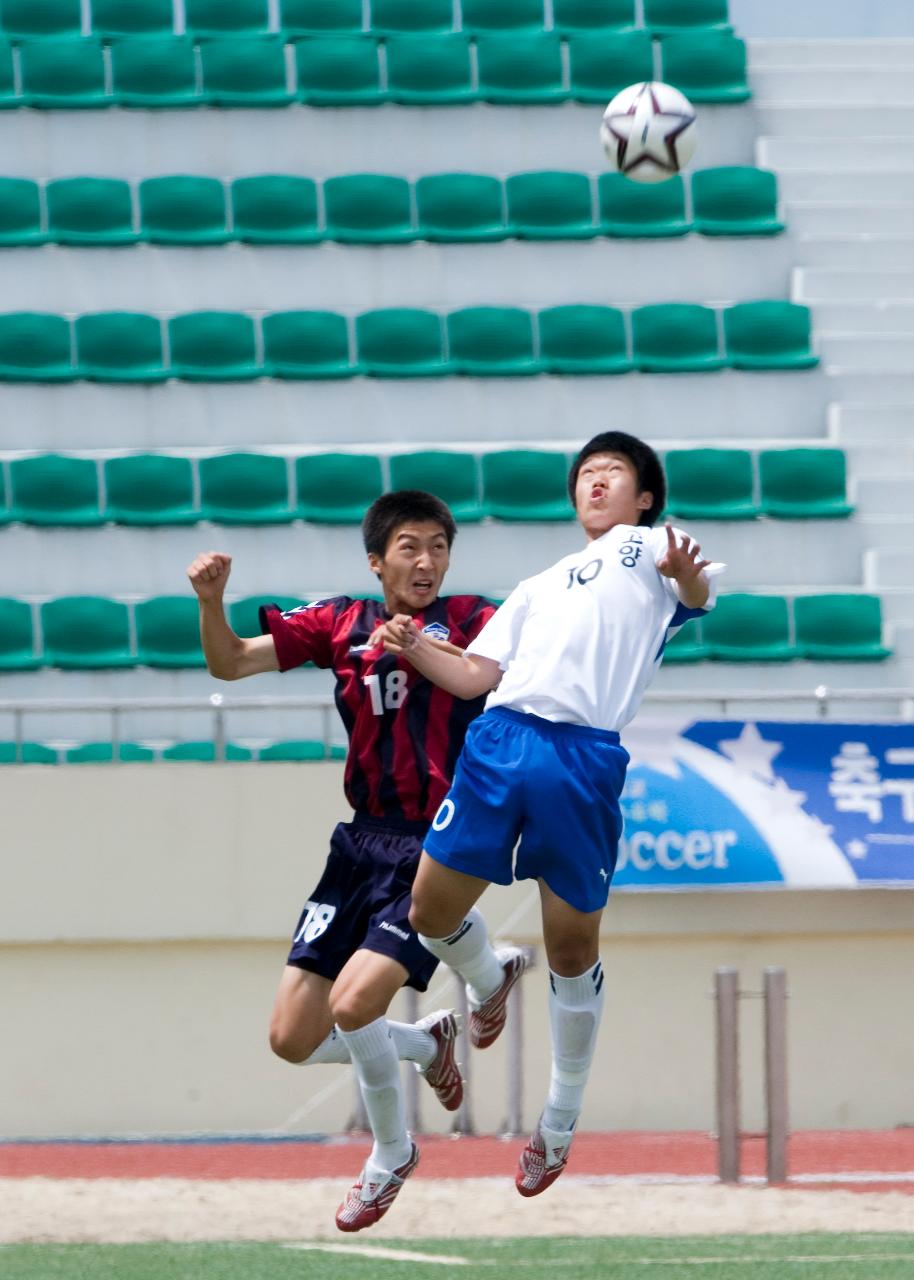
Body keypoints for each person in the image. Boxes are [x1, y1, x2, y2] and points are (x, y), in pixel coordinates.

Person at [382, 432, 725, 1197]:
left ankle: (559, 1122)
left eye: (614, 473)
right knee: (431, 911)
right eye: (586, 474)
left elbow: (697, 597)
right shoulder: (536, 584)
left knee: (571, 949)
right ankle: (488, 972)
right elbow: (473, 675)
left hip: (582, 757)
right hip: (502, 737)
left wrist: (688, 581)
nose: (596, 482)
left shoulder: (654, 551)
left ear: (643, 497)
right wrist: (411, 647)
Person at [186, 489, 516, 1232]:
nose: (426, 560)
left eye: (438, 545)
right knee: (291, 1038)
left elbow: (491, 674)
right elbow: (231, 662)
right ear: (377, 561)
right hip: (358, 842)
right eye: (409, 546)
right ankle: (425, 1040)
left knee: (353, 1003)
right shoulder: (340, 622)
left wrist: (422, 646)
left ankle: (391, 1152)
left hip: (437, 841)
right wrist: (213, 601)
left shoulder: (473, 619)